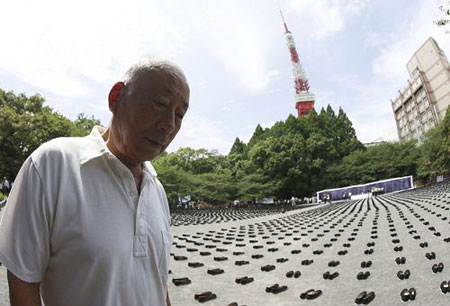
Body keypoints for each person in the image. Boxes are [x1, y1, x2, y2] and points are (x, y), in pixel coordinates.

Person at [0, 58, 190, 306]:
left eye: (179, 114)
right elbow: (24, 282)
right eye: (159, 104)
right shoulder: (52, 165)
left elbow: (157, 280)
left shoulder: (157, 189)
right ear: (116, 97)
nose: (169, 125)